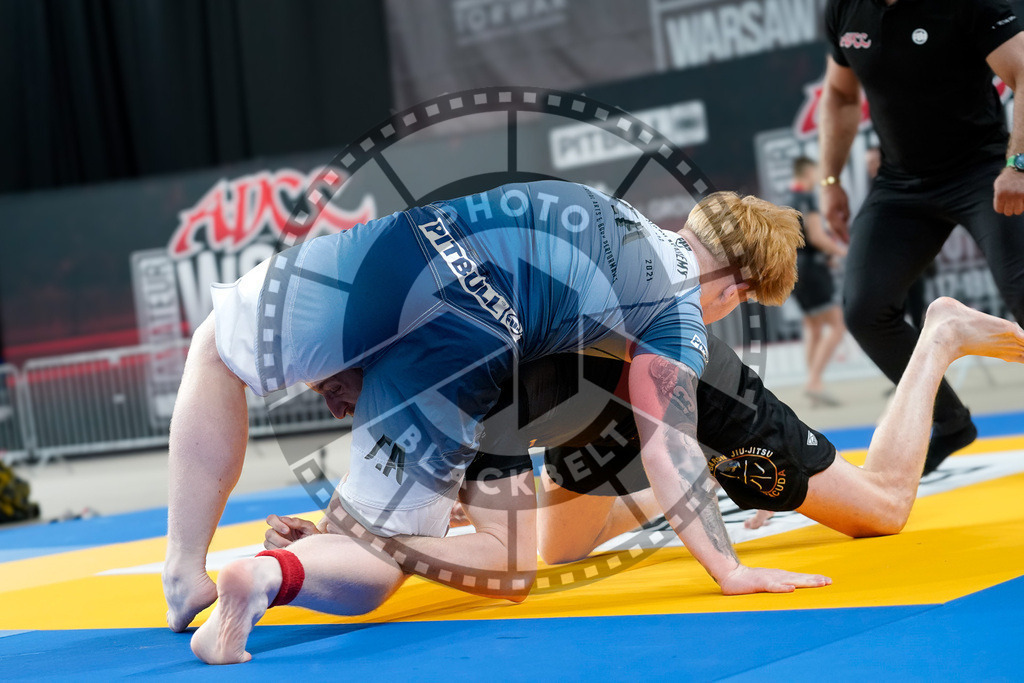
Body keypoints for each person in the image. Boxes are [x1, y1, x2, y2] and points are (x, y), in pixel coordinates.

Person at [164, 180, 825, 664]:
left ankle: (185, 568)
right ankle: (276, 575)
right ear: (735, 289)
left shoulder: (599, 202)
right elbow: (668, 447)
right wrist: (728, 569)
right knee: (434, 564)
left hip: (405, 245)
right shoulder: (677, 311)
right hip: (467, 334)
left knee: (217, 344)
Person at [271, 297, 1024, 563]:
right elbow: (400, 493)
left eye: (333, 390)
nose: (337, 410)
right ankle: (682, 480)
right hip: (597, 396)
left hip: (681, 377)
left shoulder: (440, 367)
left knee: (884, 510)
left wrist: (347, 537)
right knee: (552, 548)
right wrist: (332, 534)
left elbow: (420, 504)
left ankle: (939, 337)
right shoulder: (411, 371)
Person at [818, 0, 1024, 475]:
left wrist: (1017, 165)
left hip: (982, 168)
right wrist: (829, 182)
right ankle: (950, 422)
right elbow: (841, 95)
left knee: (1020, 287)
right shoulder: (845, 9)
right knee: (865, 310)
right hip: (903, 184)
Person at [787, 156, 848, 407]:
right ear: (808, 172)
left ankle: (813, 388)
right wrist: (843, 252)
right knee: (837, 326)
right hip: (811, 271)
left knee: (813, 327)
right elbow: (816, 236)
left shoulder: (788, 199)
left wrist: (826, 254)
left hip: (795, 270)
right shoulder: (808, 198)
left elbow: (803, 240)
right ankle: (814, 382)